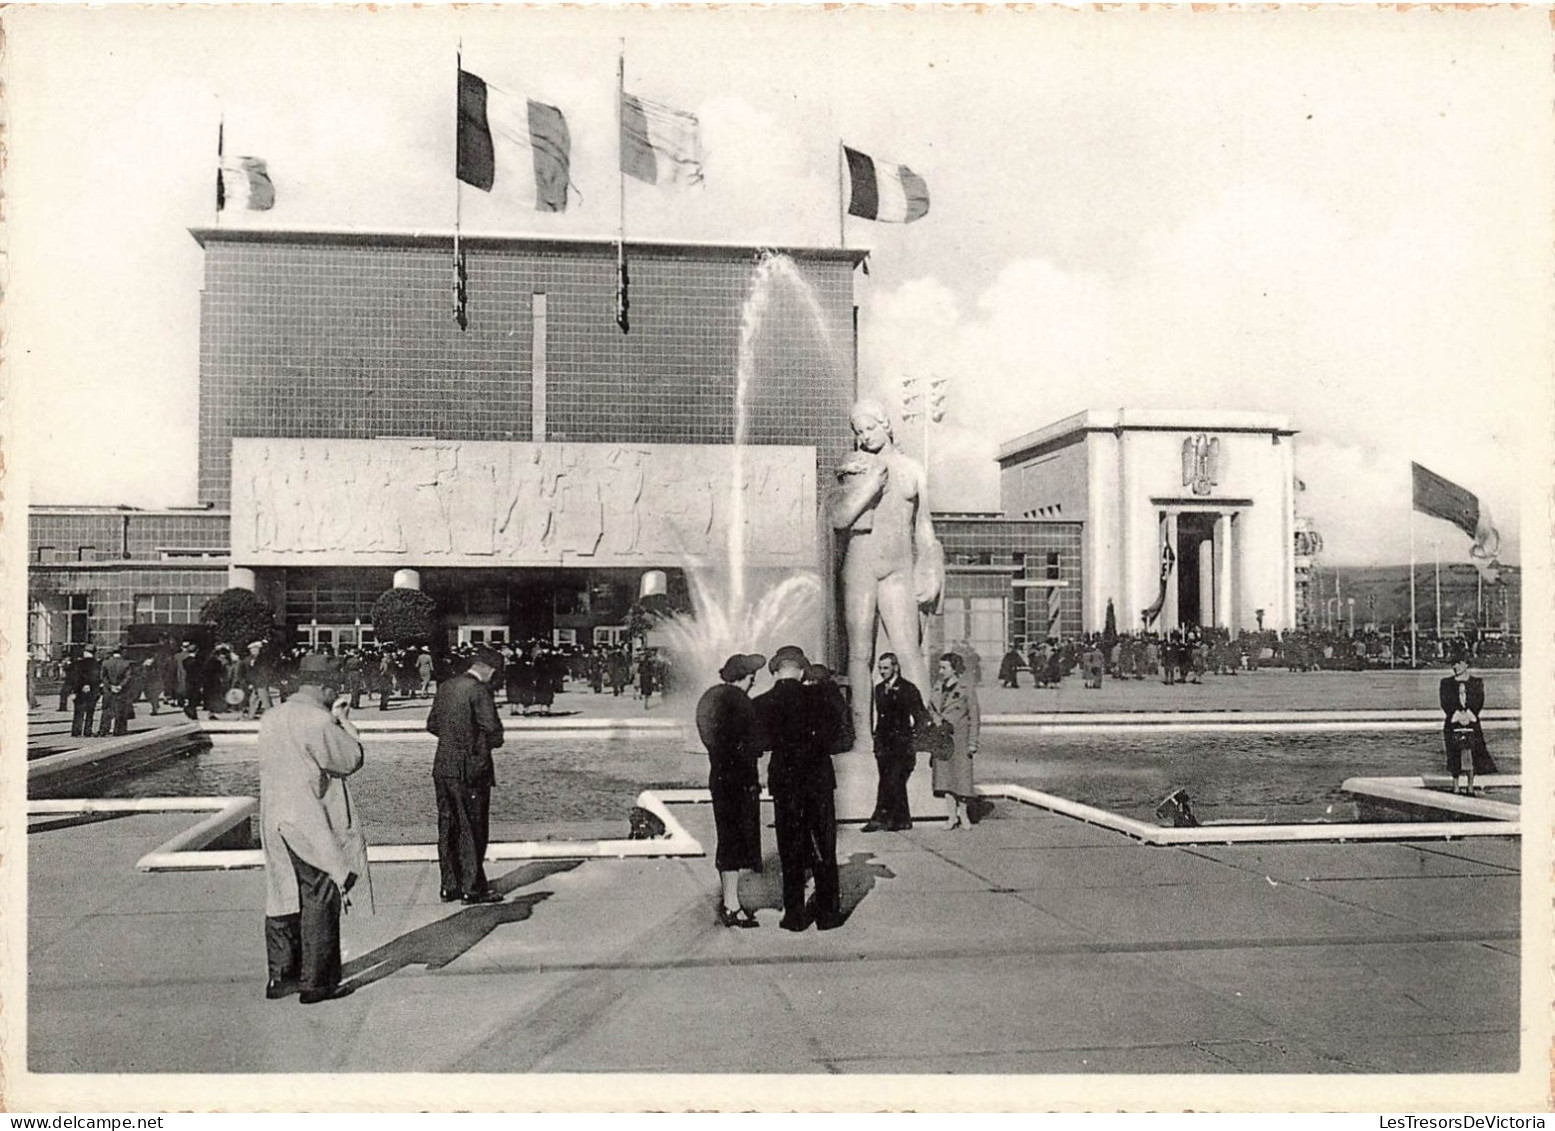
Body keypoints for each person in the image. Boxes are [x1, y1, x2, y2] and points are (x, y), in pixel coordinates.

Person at [829, 399, 944, 749]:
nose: (865, 437)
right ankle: (863, 735)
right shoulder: (853, 467)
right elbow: (839, 519)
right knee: (860, 653)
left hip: (898, 567)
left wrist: (931, 565)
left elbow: (923, 526)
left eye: (870, 428)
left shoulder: (911, 469)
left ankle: (923, 729)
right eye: (859, 432)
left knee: (909, 649)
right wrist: (868, 488)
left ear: (887, 425)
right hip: (861, 564)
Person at [258, 652, 369, 1004]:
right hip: (308, 819)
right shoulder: (319, 721)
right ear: (323, 688)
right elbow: (350, 759)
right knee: (320, 896)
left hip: (274, 815)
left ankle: (281, 976)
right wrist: (344, 722)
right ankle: (317, 982)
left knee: (282, 892)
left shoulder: (271, 717)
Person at [754, 645, 843, 932]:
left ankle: (794, 916)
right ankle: (828, 915)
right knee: (824, 846)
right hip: (818, 779)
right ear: (802, 670)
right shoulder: (821, 697)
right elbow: (840, 737)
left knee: (790, 848)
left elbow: (760, 744)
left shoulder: (761, 703)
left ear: (776, 671)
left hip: (785, 781)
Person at [426, 645, 506, 905]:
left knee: (448, 826)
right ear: (489, 669)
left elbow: (432, 724)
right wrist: (477, 744)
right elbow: (493, 730)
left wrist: (455, 739)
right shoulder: (479, 691)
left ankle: (449, 885)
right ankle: (472, 888)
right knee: (473, 827)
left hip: (444, 766)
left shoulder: (446, 686)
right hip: (471, 770)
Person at [695, 653, 767, 928]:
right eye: (751, 678)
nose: (753, 684)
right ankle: (732, 905)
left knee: (727, 837)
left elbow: (709, 737)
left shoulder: (709, 698)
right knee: (735, 840)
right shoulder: (740, 702)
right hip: (740, 779)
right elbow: (756, 742)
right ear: (743, 677)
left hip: (720, 776)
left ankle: (729, 899)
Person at [864, 652, 926, 833]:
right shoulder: (879, 689)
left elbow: (920, 716)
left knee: (895, 780)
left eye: (886, 668)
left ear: (895, 667)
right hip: (883, 742)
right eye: (880, 668)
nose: (882, 672)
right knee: (886, 780)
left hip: (901, 743)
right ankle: (895, 819)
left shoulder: (908, 689)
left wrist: (912, 738)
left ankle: (886, 818)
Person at [930, 651, 981, 829]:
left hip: (960, 740)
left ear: (954, 669)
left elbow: (974, 717)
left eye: (944, 667)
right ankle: (951, 817)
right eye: (940, 667)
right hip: (942, 741)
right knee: (945, 780)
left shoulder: (966, 688)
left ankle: (964, 816)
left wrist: (973, 742)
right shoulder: (937, 687)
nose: (940, 670)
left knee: (962, 780)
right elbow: (932, 710)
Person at [1440, 654, 1498, 795]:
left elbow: (1479, 701)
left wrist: (1468, 714)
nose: (1455, 667)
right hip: (1453, 721)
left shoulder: (1476, 682)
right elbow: (1445, 702)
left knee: (1472, 753)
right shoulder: (1446, 683)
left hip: (1471, 721)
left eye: (1458, 663)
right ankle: (1456, 786)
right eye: (1453, 664)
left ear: (1466, 664)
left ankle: (1470, 786)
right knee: (1454, 753)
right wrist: (1458, 714)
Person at [97, 646, 134, 737]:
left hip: (108, 691)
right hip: (121, 691)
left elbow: (103, 677)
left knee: (106, 709)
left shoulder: (105, 663)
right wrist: (120, 686)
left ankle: (103, 729)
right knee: (120, 710)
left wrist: (110, 686)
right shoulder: (126, 664)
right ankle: (119, 730)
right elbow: (128, 677)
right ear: (121, 653)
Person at [66, 646, 102, 737]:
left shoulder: (78, 664)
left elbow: (74, 678)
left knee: (78, 711)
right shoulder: (96, 664)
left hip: (79, 690)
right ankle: (87, 731)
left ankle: (76, 731)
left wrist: (74, 690)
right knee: (90, 712)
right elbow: (97, 677)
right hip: (92, 690)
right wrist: (89, 684)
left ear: (85, 652)